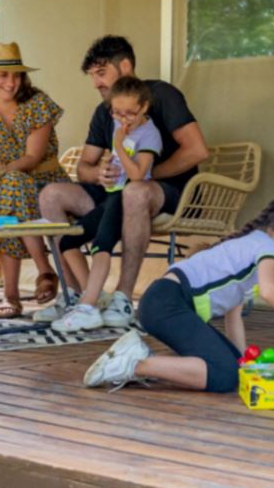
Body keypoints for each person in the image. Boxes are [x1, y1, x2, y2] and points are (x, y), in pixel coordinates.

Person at [83, 195, 274, 393]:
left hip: (162, 302)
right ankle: (136, 364)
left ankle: (140, 362)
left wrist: (244, 361)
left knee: (234, 366)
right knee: (224, 375)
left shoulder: (250, 247)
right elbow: (271, 291)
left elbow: (233, 315)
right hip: (168, 303)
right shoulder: (270, 249)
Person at [36, 35, 209, 326]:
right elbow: (84, 167)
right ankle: (75, 293)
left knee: (136, 191)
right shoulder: (104, 111)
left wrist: (145, 173)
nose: (96, 83)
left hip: (172, 192)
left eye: (101, 73)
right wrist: (99, 173)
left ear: (125, 66)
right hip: (117, 191)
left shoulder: (162, 95)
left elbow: (197, 150)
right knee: (50, 195)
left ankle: (122, 299)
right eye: (92, 76)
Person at [0, 42, 72, 319]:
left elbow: (32, 158)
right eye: (3, 75)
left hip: (49, 185)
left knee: (10, 190)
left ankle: (11, 294)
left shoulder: (37, 104)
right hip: (11, 192)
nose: (11, 83)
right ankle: (44, 271)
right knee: (10, 190)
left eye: (16, 75)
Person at [51, 76, 161, 332]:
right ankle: (94, 296)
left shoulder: (150, 134)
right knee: (68, 241)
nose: (123, 119)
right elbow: (115, 163)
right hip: (111, 195)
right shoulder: (117, 124)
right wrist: (106, 167)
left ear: (144, 107)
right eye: (117, 113)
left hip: (127, 199)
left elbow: (137, 175)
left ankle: (87, 308)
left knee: (101, 245)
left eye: (129, 113)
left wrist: (119, 145)